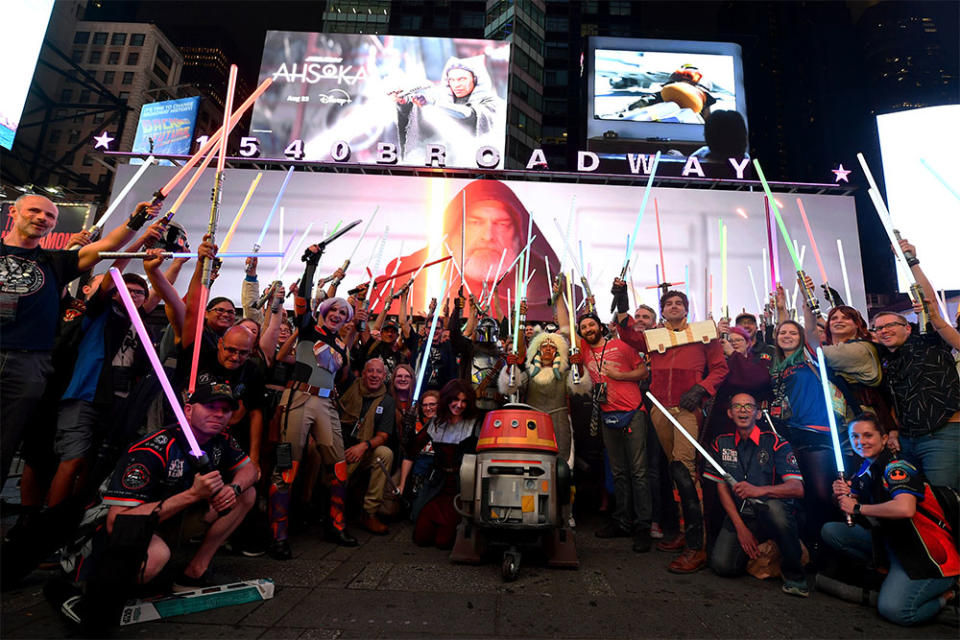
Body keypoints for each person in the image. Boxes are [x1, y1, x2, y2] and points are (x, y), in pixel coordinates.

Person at [1, 194, 159, 484]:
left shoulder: (55, 263)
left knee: (6, 443)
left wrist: (138, 220)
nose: (42, 218)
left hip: (30, 362)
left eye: (49, 216)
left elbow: (110, 249)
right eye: (34, 211)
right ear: (13, 212)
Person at [614, 285, 729, 572]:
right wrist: (622, 302)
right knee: (674, 469)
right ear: (662, 310)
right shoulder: (655, 336)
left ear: (686, 309)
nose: (674, 306)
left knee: (684, 470)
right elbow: (627, 334)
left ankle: (697, 546)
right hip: (660, 408)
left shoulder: (706, 334)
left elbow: (720, 369)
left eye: (679, 302)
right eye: (669, 303)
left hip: (688, 409)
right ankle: (682, 529)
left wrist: (701, 389)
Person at [266, 243, 361, 558]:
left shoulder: (338, 343)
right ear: (324, 312)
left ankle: (335, 526)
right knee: (287, 466)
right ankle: (278, 535)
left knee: (338, 466)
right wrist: (312, 263)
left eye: (342, 312)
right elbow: (304, 298)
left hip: (325, 404)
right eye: (333, 310)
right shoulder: (308, 329)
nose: (337, 314)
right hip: (299, 400)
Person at [823, 414, 958, 626]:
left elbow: (905, 509)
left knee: (895, 611)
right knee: (831, 531)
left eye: (868, 435)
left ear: (884, 438)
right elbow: (846, 503)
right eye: (855, 436)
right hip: (892, 545)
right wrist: (840, 494)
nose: (861, 441)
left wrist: (858, 507)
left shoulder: (897, 467)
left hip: (925, 554)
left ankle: (948, 595)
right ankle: (888, 576)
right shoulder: (866, 469)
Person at [377, 180, 561, 320]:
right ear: (454, 228)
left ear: (519, 236)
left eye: (503, 224)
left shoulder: (560, 295)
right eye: (475, 222)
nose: (488, 235)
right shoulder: (399, 284)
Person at [706, 392, 808, 597]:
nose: (743, 410)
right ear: (729, 413)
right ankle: (766, 550)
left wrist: (759, 490)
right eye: (737, 406)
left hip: (770, 511)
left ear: (758, 414)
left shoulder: (776, 443)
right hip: (743, 516)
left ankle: (795, 576)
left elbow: (797, 488)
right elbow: (722, 488)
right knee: (722, 566)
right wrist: (741, 528)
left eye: (749, 406)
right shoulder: (721, 443)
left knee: (775, 510)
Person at [578, 311, 654, 553]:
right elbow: (564, 320)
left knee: (639, 472)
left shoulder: (621, 346)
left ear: (600, 326)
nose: (588, 329)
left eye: (592, 324)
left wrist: (621, 376)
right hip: (607, 415)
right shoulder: (585, 350)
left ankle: (643, 527)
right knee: (618, 471)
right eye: (584, 327)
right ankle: (622, 521)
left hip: (633, 412)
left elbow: (643, 372)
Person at [768, 319, 847, 550]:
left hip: (816, 430)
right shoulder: (776, 366)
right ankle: (809, 545)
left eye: (793, 332)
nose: (787, 336)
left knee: (822, 492)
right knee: (801, 494)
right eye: (782, 332)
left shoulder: (809, 356)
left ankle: (832, 543)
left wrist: (805, 292)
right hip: (788, 433)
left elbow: (812, 328)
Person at [872, 309, 959, 490]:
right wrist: (894, 431)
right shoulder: (886, 359)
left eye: (890, 325)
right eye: (878, 328)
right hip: (907, 440)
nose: (884, 331)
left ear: (908, 328)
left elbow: (931, 303)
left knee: (943, 496)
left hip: (941, 433)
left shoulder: (930, 343)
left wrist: (919, 284)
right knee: (914, 498)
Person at [498, 329, 591, 471]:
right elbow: (511, 388)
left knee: (560, 466)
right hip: (532, 425)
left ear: (558, 352)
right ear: (537, 351)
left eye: (552, 347)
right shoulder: (529, 374)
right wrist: (510, 368)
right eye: (544, 346)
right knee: (532, 463)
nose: (548, 349)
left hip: (559, 425)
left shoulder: (565, 375)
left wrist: (579, 368)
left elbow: (579, 388)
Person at [391, 55, 505, 167]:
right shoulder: (443, 100)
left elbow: (469, 115)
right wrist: (405, 103)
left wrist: (434, 103)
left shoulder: (492, 102)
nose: (456, 84)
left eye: (462, 79)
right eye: (452, 80)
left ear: (475, 79)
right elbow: (416, 124)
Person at [404, 380, 480, 548]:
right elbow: (412, 448)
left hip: (462, 487)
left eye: (464, 401)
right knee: (421, 537)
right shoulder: (437, 422)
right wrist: (408, 430)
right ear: (447, 399)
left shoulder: (474, 423)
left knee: (443, 542)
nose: (459, 405)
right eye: (455, 400)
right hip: (438, 485)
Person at [339, 358, 397, 535]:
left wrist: (363, 446)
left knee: (384, 453)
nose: (374, 375)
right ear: (363, 373)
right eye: (370, 371)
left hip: (364, 451)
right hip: (339, 445)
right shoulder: (348, 387)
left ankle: (370, 513)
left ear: (384, 376)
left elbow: (383, 436)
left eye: (379, 372)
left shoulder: (387, 401)